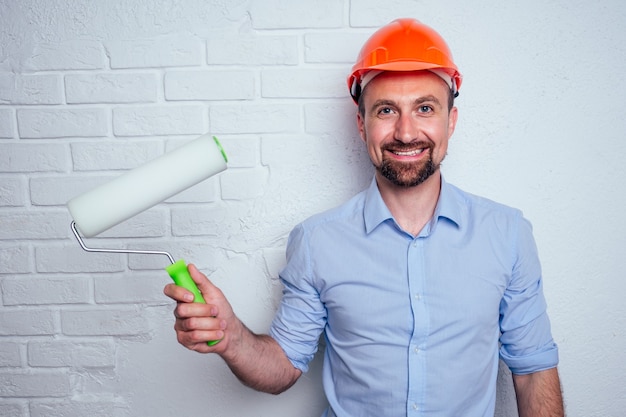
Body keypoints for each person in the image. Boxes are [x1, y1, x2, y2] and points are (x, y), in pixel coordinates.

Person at [164, 18, 564, 417]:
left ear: (450, 122)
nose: (406, 133)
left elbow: (533, 371)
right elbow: (283, 366)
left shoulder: (507, 234)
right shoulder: (318, 242)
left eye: (425, 108)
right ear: (362, 124)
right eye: (386, 110)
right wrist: (231, 336)